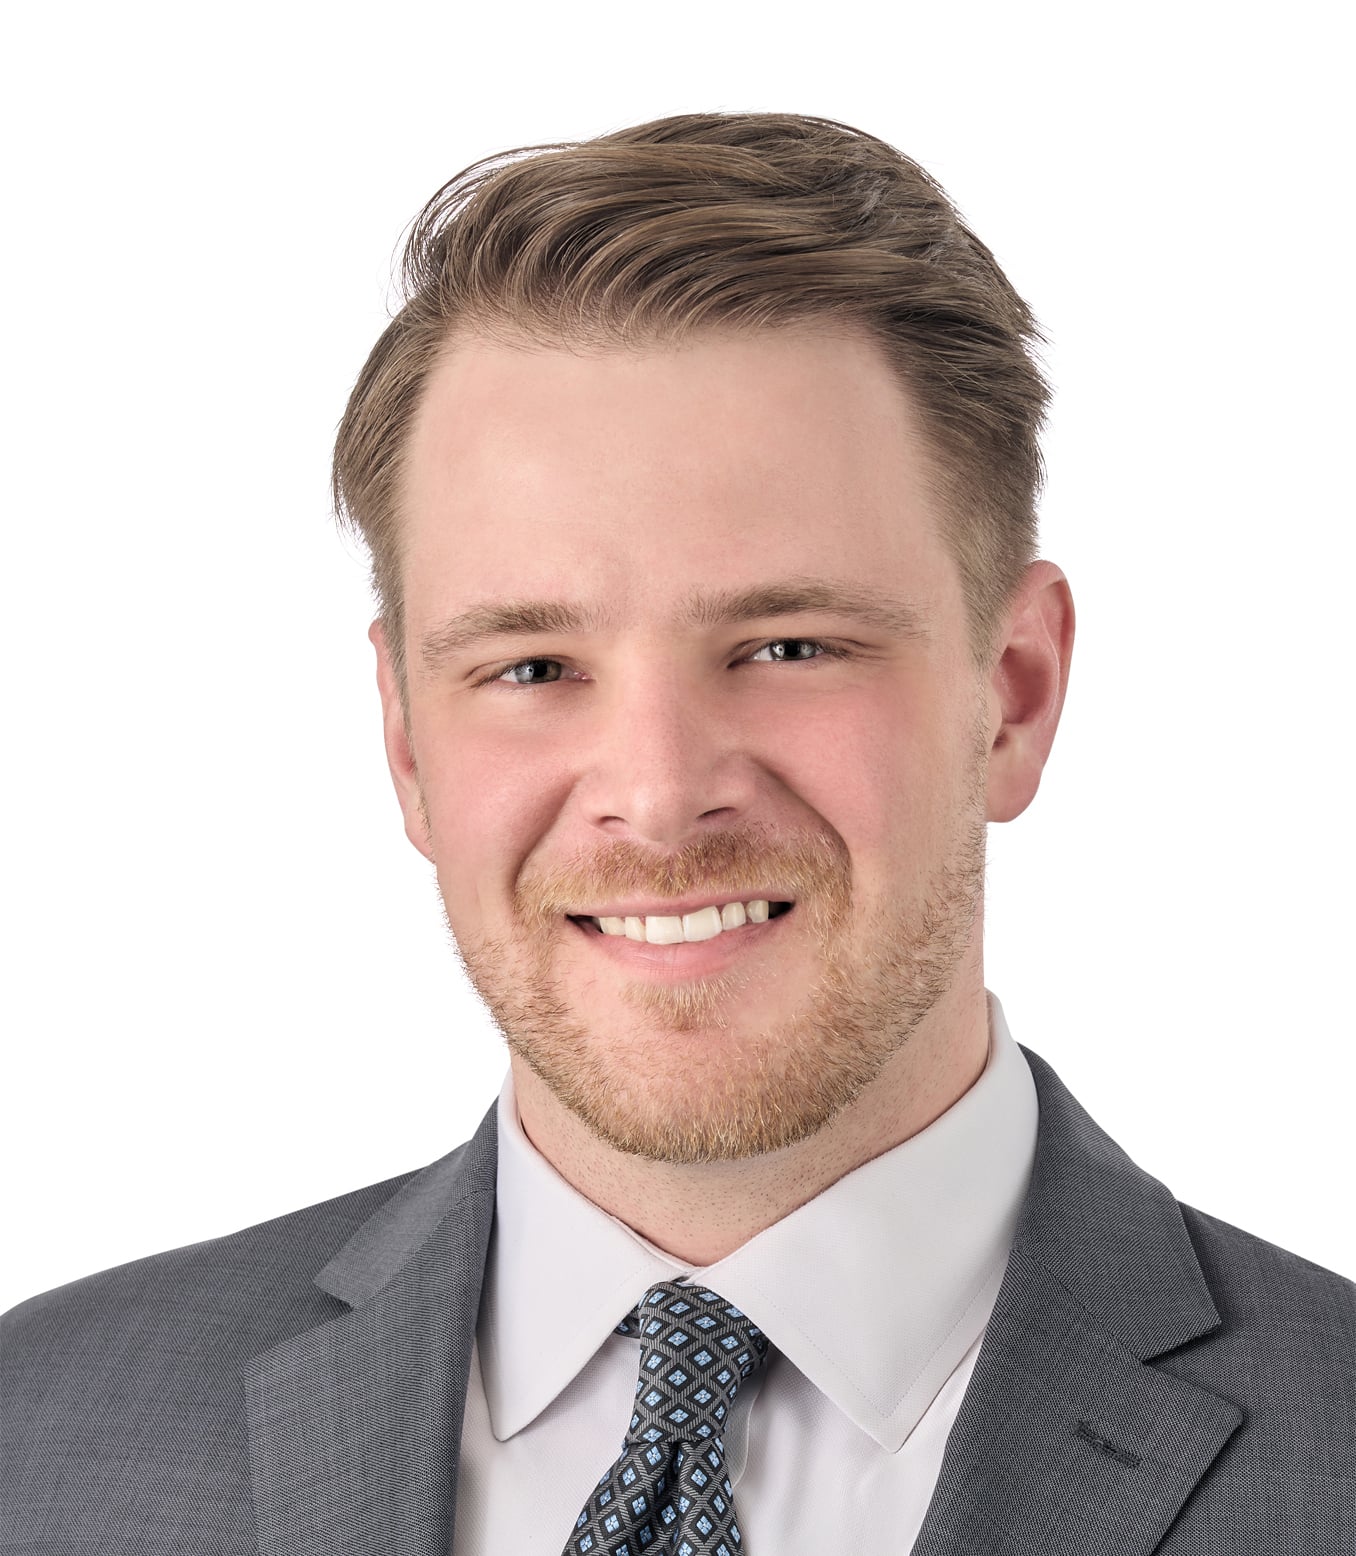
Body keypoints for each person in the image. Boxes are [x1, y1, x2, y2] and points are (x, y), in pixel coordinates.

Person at [2, 112, 1351, 1555]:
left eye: (785, 646)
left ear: (1012, 694)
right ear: (406, 739)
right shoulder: (45, 1436)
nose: (655, 795)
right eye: (531, 669)